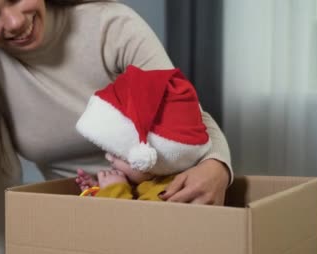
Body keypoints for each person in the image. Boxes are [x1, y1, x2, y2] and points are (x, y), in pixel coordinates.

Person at [0, 0, 233, 254]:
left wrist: (217, 165)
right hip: (87, 221)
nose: (14, 22)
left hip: (165, 205)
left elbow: (185, 112)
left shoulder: (111, 26)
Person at [75, 65, 214, 201]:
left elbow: (135, 221)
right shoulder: (147, 182)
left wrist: (114, 189)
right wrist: (99, 192)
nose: (109, 158)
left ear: (152, 161)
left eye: (119, 155)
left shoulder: (166, 192)